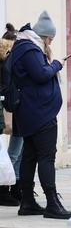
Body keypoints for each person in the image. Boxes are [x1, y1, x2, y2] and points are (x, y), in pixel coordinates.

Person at [8, 12, 71, 219]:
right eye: (50, 39)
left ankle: (27, 201)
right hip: (39, 112)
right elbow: (41, 74)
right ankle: (52, 203)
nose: (50, 43)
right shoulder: (29, 49)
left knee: (30, 156)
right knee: (46, 156)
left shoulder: (23, 46)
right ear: (44, 36)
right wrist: (57, 64)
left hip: (31, 111)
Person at [1, 24, 22, 204]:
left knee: (18, 148)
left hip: (15, 107)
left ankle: (15, 186)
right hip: (10, 107)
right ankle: (6, 189)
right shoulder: (6, 61)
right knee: (13, 151)